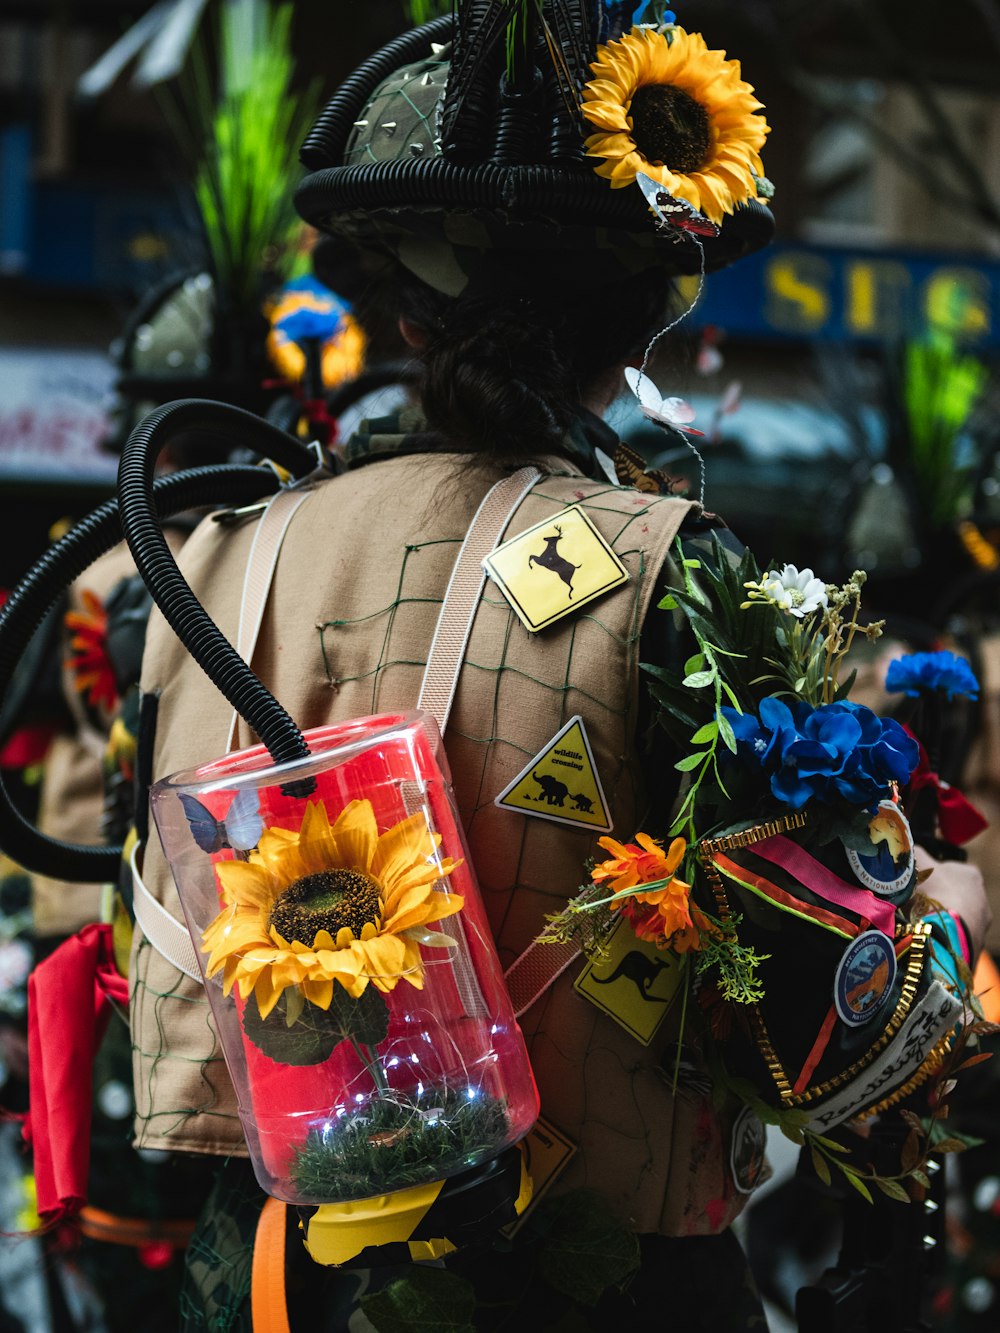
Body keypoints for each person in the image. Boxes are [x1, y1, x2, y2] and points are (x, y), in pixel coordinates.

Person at [121, 8, 989, 1331]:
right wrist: (954, 911)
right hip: (600, 1284)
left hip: (261, 1283)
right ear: (642, 305)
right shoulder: (672, 563)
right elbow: (840, 1009)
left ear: (404, 298)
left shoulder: (214, 557)